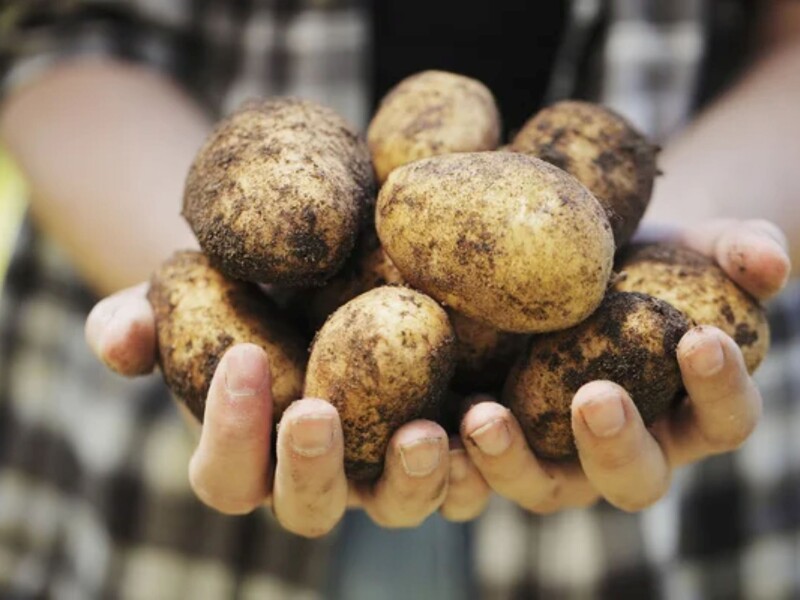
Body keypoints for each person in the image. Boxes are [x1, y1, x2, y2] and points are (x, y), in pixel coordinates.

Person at [0, 0, 798, 598]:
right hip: (164, 509)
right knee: (349, 297)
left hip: (666, 537)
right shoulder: (363, 230)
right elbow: (59, 33)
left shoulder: (522, 238)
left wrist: (700, 211)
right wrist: (184, 267)